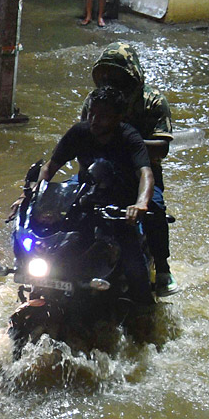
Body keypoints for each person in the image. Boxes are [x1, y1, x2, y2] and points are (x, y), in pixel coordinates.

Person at [38, 86, 156, 306]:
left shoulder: (129, 137)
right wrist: (34, 195)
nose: (94, 120)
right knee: (50, 246)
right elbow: (49, 167)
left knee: (132, 263)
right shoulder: (79, 133)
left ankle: (145, 314)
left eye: (102, 116)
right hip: (85, 202)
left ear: (118, 117)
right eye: (92, 113)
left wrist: (140, 204)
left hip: (119, 209)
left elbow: (146, 174)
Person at [80, 42, 177, 295]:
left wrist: (124, 144)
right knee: (73, 204)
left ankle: (163, 269)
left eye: (118, 75)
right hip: (101, 169)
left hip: (143, 172)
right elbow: (80, 139)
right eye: (107, 76)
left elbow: (162, 148)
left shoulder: (153, 101)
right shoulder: (96, 101)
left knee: (155, 210)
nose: (112, 81)